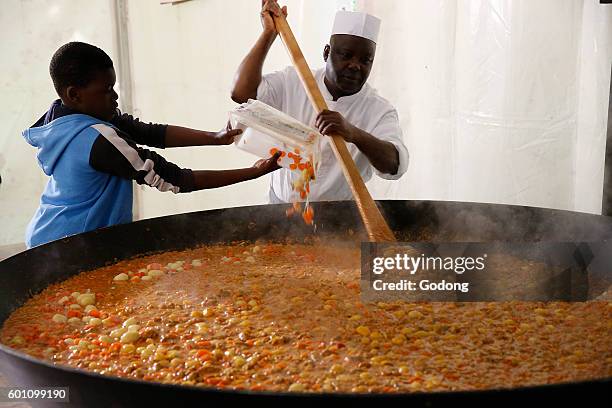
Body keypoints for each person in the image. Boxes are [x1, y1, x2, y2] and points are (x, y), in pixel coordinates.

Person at [24, 41, 280, 248]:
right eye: (107, 89)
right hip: (68, 246)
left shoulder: (64, 118)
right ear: (74, 94)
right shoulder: (99, 140)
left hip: (49, 234)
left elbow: (149, 133)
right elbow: (174, 178)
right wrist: (254, 173)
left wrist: (215, 137)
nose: (115, 96)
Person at [231, 1, 409, 203]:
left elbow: (395, 165)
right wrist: (268, 35)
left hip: (340, 217)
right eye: (346, 55)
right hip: (280, 209)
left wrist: (352, 133)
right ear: (326, 52)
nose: (355, 66)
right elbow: (240, 93)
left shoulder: (379, 110)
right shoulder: (294, 80)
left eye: (365, 60)